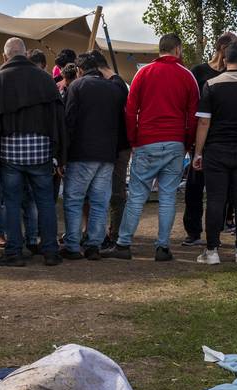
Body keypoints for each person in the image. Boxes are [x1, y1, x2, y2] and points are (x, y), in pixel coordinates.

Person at [102, 33, 199, 262]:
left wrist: (134, 140)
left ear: (160, 49)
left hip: (146, 141)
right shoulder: (187, 76)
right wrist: (186, 142)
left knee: (137, 196)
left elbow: (130, 110)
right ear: (178, 49)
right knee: (167, 197)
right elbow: (193, 115)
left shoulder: (143, 73)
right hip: (175, 142)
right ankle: (162, 247)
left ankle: (124, 243)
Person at [0, 37, 66, 267]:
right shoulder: (45, 79)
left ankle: (14, 252)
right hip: (41, 152)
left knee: (12, 203)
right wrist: (59, 153)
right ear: (26, 55)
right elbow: (58, 118)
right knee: (45, 202)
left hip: (10, 154)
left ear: (5, 57)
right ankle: (51, 251)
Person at [190, 40, 237, 265]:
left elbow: (203, 123)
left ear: (224, 59)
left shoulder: (211, 84)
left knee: (215, 200)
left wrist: (198, 153)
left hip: (216, 149)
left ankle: (212, 251)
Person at [59, 52, 126, 261]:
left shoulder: (76, 87)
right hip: (106, 154)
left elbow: (69, 121)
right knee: (99, 201)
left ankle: (72, 244)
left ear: (79, 70)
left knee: (74, 199)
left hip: (81, 153)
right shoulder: (113, 89)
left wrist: (62, 155)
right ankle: (94, 245)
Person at [183, 32, 237, 247]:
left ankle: (220, 226)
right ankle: (193, 231)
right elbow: (191, 105)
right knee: (194, 187)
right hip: (202, 137)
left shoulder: (233, 73)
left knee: (224, 189)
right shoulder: (198, 72)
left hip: (223, 138)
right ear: (222, 47)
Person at [92, 51, 130, 248]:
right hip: (111, 146)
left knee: (116, 192)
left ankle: (114, 234)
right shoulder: (116, 83)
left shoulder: (116, 84)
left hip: (118, 147)